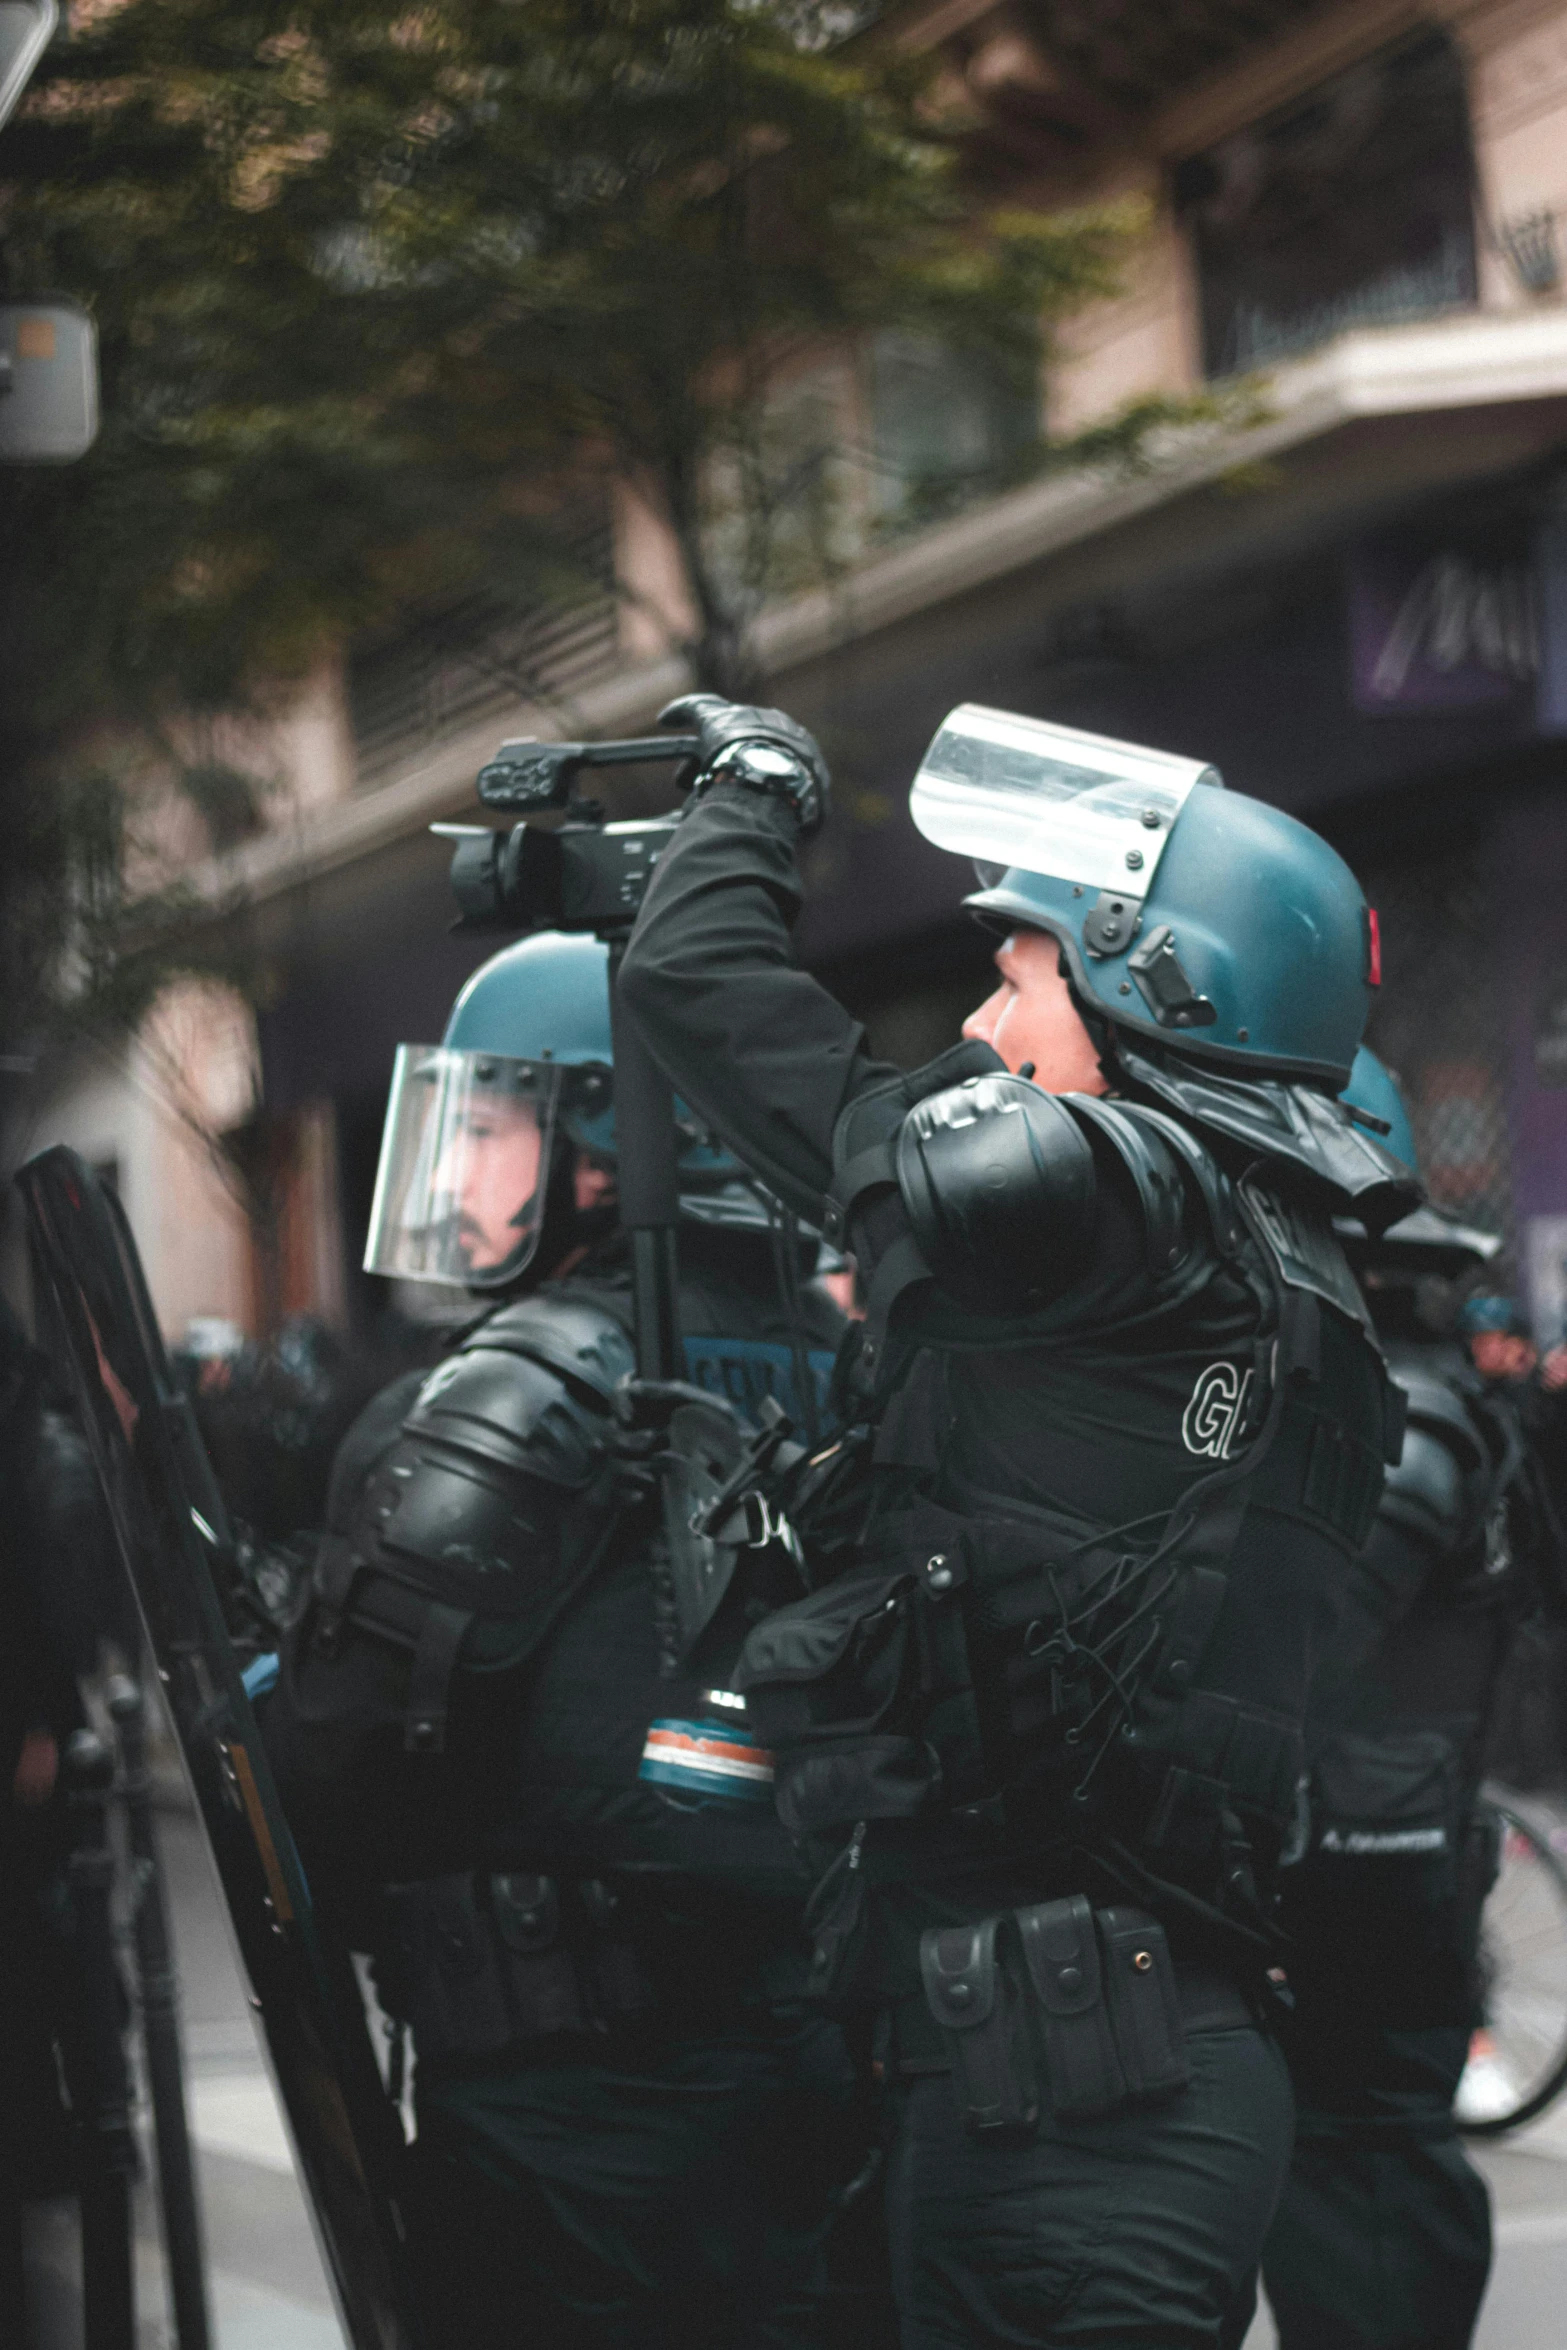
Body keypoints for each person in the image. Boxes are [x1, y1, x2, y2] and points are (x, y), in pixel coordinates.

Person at [618, 695, 1414, 2350]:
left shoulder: (1120, 1216)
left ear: (1153, 983)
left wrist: (754, 798)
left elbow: (697, 994)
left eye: (1017, 978)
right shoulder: (1271, 1270)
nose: (980, 1029)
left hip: (1079, 2120)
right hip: (1079, 2068)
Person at [256, 930, 879, 2350]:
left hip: (572, 2120)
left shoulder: (518, 1390)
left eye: (484, 1128)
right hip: (826, 2072)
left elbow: (329, 1771)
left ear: (610, 1144)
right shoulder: (844, 1362)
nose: (456, 1172)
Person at [1258, 1051, 1565, 2350]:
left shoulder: (1405, 1412)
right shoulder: (1389, 1384)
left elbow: (1290, 1646)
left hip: (1366, 1883)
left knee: (1368, 2210)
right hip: (1368, 1866)